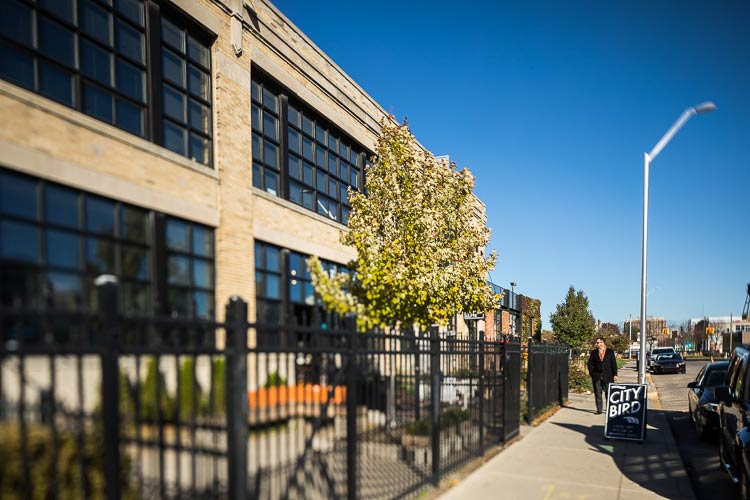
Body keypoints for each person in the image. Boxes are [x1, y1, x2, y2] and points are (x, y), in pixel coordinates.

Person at [587, 337, 618, 415]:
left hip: (608, 376)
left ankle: (609, 409)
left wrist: (615, 374)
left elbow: (613, 364)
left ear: (603, 343)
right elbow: (590, 364)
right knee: (598, 393)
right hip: (597, 376)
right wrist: (592, 373)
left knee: (608, 393)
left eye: (599, 342)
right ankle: (599, 410)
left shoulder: (610, 352)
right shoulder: (594, 352)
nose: (597, 344)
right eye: (597, 343)